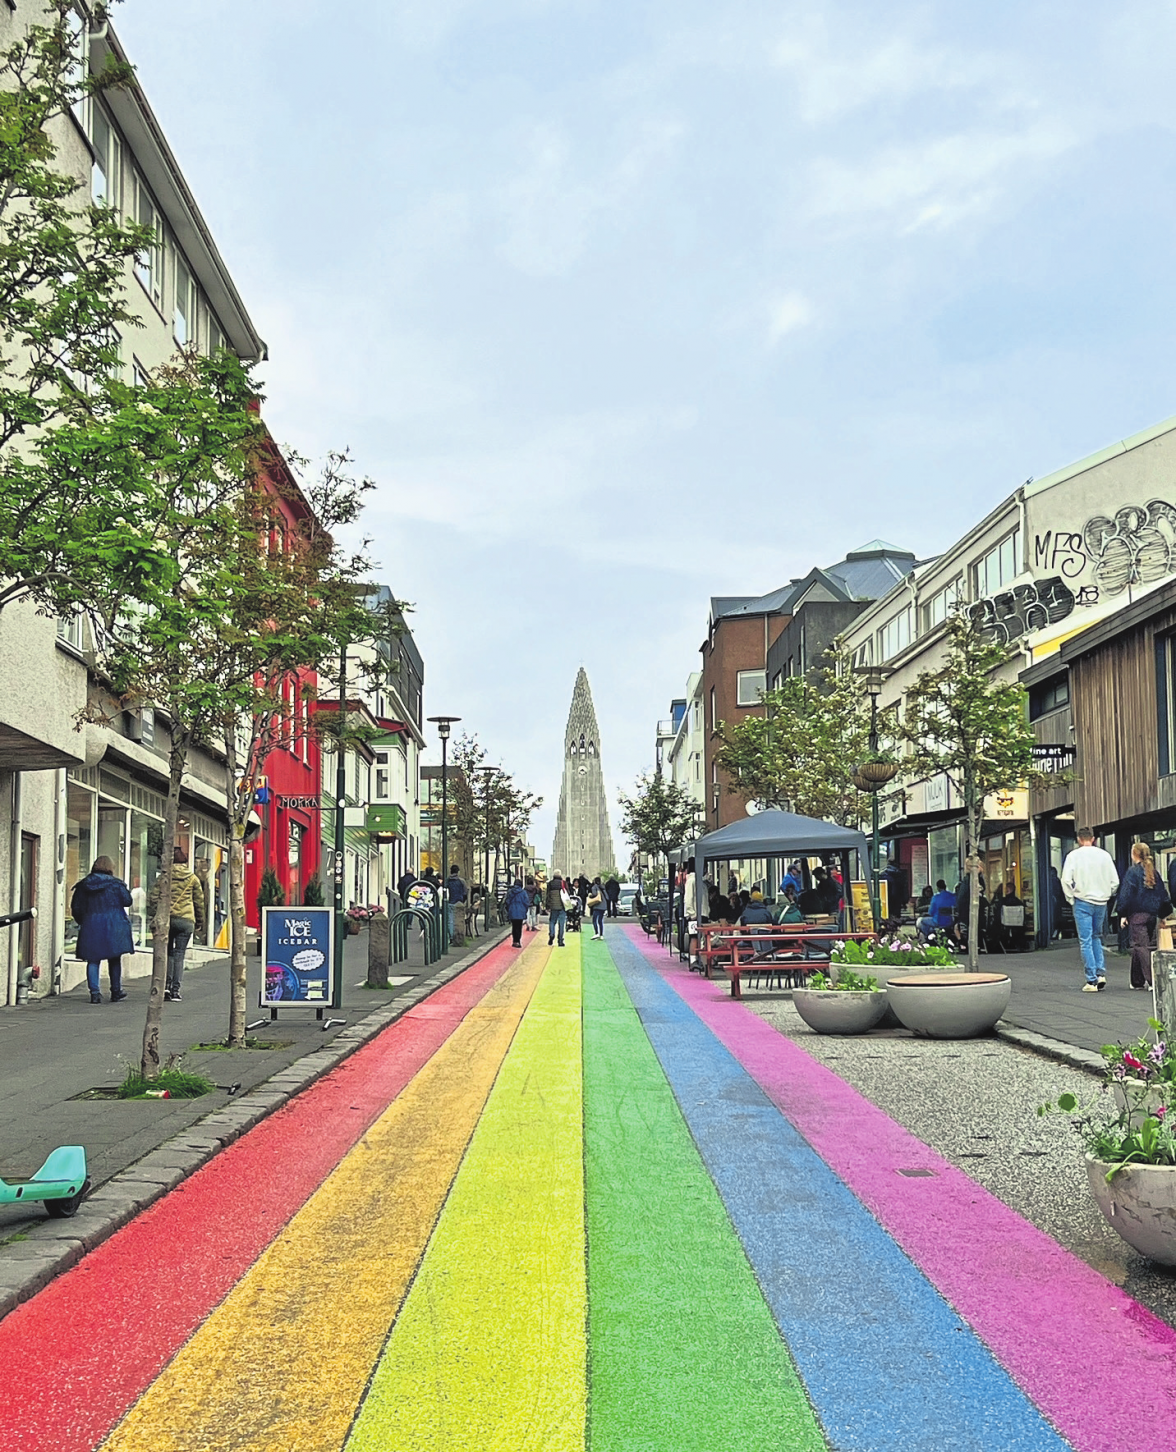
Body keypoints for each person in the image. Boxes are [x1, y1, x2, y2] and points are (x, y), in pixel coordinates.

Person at [1061, 828, 1120, 991]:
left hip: (1082, 901)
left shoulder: (1073, 856)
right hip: (1101, 901)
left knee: (1085, 940)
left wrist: (1071, 898)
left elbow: (1066, 880)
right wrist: (1107, 894)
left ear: (1079, 839)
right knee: (1096, 936)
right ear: (1093, 839)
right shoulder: (1104, 856)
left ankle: (1091, 979)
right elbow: (1115, 881)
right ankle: (1101, 973)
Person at [70, 855, 134, 1004]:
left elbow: (76, 908)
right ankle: (116, 991)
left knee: (93, 960)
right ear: (110, 867)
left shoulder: (84, 885)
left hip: (91, 924)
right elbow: (127, 901)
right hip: (114, 924)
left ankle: (95, 993)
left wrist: (83, 921)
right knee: (114, 958)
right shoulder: (116, 885)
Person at [148, 846, 206, 1003]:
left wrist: (155, 914)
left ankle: (165, 986)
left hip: (167, 919)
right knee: (179, 954)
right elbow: (199, 902)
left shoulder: (163, 878)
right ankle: (176, 991)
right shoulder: (192, 878)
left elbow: (153, 898)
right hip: (186, 920)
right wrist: (200, 922)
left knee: (166, 953)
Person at [1117, 842, 1169, 990]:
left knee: (1141, 947)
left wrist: (1123, 913)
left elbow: (1126, 894)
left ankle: (1153, 980)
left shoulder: (1132, 872)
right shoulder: (1154, 872)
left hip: (1137, 914)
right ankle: (1136, 980)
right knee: (1144, 947)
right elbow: (1162, 894)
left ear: (1135, 854)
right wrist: (1163, 914)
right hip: (1152, 915)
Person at [739, 889, 776, 955]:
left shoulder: (745, 912)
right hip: (765, 941)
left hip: (749, 941)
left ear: (751, 899)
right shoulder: (766, 913)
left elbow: (742, 929)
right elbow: (772, 927)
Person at [505, 877, 530, 948]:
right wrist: (525, 910)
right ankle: (518, 941)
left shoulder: (510, 892)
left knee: (514, 926)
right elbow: (526, 902)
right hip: (521, 912)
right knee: (519, 927)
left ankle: (514, 941)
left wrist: (508, 909)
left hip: (512, 911)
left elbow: (507, 901)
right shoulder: (523, 893)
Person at [445, 863, 467, 943]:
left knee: (450, 920)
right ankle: (458, 935)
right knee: (459, 920)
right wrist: (463, 901)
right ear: (458, 872)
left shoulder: (447, 880)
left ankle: (451, 936)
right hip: (459, 902)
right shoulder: (461, 881)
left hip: (450, 901)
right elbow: (465, 892)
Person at [546, 874, 568, 947]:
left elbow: (548, 896)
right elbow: (568, 894)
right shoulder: (563, 883)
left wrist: (547, 906)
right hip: (562, 906)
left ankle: (552, 934)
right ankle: (560, 940)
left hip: (553, 907)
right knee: (561, 924)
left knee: (552, 921)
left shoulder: (550, 884)